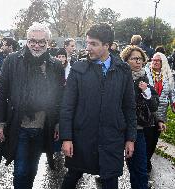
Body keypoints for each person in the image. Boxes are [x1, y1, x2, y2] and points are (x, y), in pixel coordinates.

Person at [60, 23, 137, 189]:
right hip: (82, 137)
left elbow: (129, 106)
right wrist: (67, 138)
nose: (88, 48)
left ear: (107, 45)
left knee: (110, 180)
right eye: (87, 43)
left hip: (112, 138)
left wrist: (130, 138)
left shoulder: (123, 70)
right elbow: (67, 106)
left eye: (93, 44)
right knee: (72, 177)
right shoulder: (78, 69)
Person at [0, 22, 64, 189]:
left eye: (42, 41)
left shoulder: (55, 65)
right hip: (19, 124)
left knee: (32, 169)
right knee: (21, 170)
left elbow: (60, 97)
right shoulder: (12, 60)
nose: (37, 45)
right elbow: (1, 94)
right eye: (32, 40)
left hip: (43, 125)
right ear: (26, 40)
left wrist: (58, 123)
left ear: (48, 42)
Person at [121, 45, 159, 189]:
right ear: (126, 61)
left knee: (140, 167)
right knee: (123, 166)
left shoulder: (145, 79)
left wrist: (146, 93)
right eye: (133, 58)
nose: (138, 61)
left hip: (138, 129)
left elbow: (155, 105)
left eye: (140, 58)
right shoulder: (121, 78)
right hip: (120, 127)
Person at [144, 52, 174, 174]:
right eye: (153, 60)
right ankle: (144, 163)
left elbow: (172, 92)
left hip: (161, 112)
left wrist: (173, 103)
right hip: (146, 112)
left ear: (163, 63)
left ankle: (147, 159)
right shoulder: (146, 73)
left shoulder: (168, 76)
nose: (154, 62)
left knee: (154, 140)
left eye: (158, 60)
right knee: (146, 138)